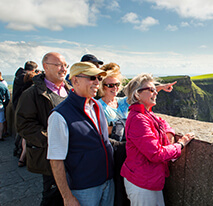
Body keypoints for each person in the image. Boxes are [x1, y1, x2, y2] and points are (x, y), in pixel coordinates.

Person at [97, 63, 177, 206]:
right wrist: (180, 144)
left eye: (117, 84)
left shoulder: (121, 102)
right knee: (116, 194)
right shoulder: (98, 106)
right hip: (111, 152)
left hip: (128, 151)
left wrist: (159, 88)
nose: (114, 88)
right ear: (102, 87)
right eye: (110, 85)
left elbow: (137, 94)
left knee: (123, 193)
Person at [120, 73, 194, 205]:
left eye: (155, 89)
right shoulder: (138, 119)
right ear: (137, 94)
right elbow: (156, 154)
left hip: (148, 179)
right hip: (142, 183)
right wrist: (180, 145)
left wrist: (169, 133)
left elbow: (161, 122)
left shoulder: (145, 113)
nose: (156, 93)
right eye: (151, 90)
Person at [47, 62, 114, 206]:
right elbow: (56, 160)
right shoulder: (59, 115)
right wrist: (67, 197)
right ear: (75, 80)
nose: (97, 82)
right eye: (92, 78)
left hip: (108, 182)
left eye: (99, 78)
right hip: (84, 188)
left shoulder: (97, 105)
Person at [16, 52, 71, 206]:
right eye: (59, 65)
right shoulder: (31, 94)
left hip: (72, 155)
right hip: (50, 158)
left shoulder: (70, 91)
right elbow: (24, 125)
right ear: (45, 67)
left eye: (65, 65)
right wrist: (52, 141)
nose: (64, 69)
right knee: (52, 196)